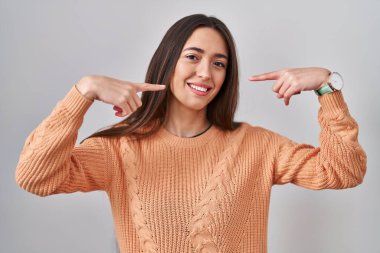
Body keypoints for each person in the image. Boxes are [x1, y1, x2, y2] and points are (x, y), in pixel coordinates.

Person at [15, 14, 367, 253]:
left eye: (218, 63)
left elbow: (344, 172)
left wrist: (327, 88)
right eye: (193, 57)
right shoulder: (119, 147)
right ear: (168, 61)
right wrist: (83, 91)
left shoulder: (258, 146)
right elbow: (35, 177)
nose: (205, 73)